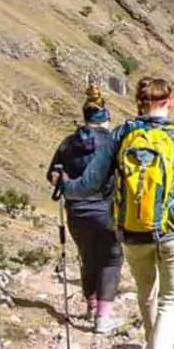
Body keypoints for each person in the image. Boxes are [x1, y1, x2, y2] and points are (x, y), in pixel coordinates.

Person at [52, 76, 174, 349]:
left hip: (131, 232)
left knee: (148, 294)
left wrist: (66, 187)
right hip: (173, 232)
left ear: (139, 103)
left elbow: (90, 183)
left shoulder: (120, 135)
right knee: (173, 297)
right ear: (169, 102)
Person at [46, 83, 123, 334]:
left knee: (87, 256)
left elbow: (53, 176)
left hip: (76, 212)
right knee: (111, 258)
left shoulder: (68, 143)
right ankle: (102, 317)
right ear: (106, 118)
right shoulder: (113, 143)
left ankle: (91, 303)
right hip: (106, 209)